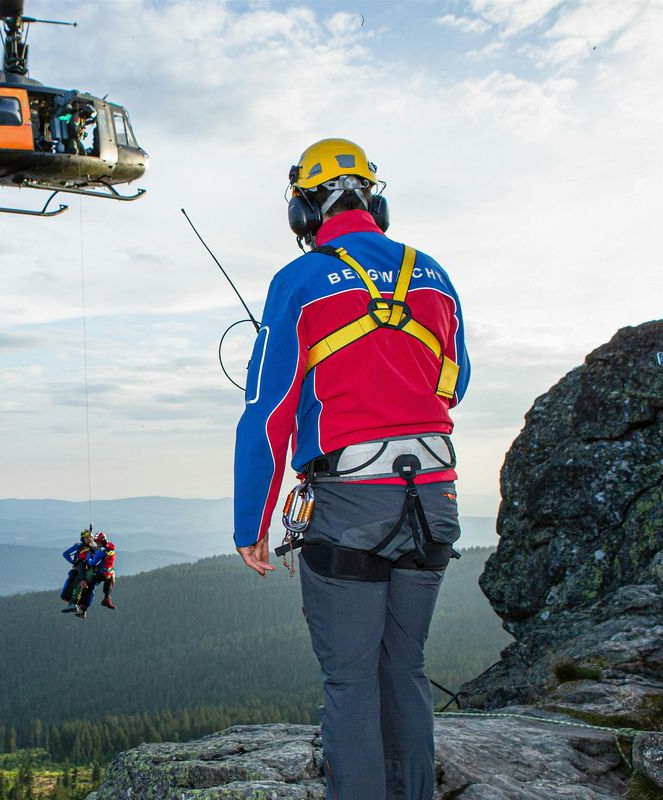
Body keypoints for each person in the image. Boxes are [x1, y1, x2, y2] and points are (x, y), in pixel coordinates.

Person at [233, 138, 470, 800]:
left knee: (350, 680)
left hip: (350, 506)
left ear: (303, 214)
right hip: (435, 498)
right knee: (407, 669)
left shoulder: (298, 282)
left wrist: (251, 520)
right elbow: (454, 383)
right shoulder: (433, 273)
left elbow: (267, 412)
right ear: (376, 200)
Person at [77, 531, 117, 615]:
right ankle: (106, 598)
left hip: (101, 573)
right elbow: (102, 555)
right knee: (106, 581)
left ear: (100, 542)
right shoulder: (110, 547)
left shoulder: (100, 552)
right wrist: (95, 551)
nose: (96, 544)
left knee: (90, 587)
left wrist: (88, 556)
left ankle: (83, 607)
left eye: (97, 542)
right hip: (109, 573)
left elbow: (92, 563)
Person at [60, 528, 95, 613]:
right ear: (83, 538)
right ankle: (73, 604)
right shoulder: (78, 546)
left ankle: (80, 608)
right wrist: (73, 561)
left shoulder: (94, 547)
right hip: (78, 569)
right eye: (86, 537)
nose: (89, 539)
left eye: (90, 537)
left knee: (87, 588)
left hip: (88, 569)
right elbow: (65, 554)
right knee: (71, 585)